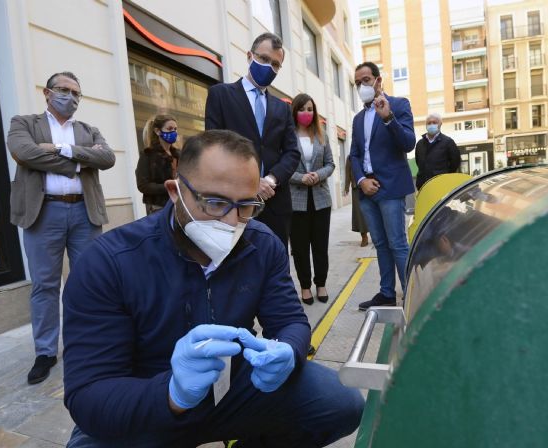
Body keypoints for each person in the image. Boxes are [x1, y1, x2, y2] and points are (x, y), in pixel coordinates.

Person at [63, 130, 364, 447]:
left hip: (233, 386)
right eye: (215, 202)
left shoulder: (262, 245)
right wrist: (172, 394)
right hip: (145, 398)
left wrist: (288, 351)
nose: (232, 222)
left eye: (246, 205)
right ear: (175, 191)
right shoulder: (109, 262)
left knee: (340, 402)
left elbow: (289, 320)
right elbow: (88, 394)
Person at [6, 71, 115, 384]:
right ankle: (45, 351)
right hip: (43, 213)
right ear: (47, 92)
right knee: (45, 285)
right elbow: (24, 153)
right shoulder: (24, 123)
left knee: (89, 282)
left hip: (84, 212)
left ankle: (88, 343)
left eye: (76, 93)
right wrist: (81, 162)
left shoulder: (88, 130)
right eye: (64, 90)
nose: (71, 97)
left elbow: (107, 158)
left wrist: (61, 149)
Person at [205, 33, 300, 249]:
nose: (269, 67)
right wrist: (251, 182)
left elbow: (292, 152)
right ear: (249, 56)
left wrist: (271, 180)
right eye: (264, 59)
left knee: (275, 263)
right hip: (233, 203)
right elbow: (214, 147)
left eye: (275, 64)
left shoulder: (283, 108)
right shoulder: (220, 95)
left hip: (275, 202)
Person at [349, 62, 416, 311]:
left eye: (366, 80)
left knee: (397, 243)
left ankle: (412, 295)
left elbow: (408, 143)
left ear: (378, 80)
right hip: (367, 190)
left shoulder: (399, 105)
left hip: (391, 188)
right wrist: (361, 180)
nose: (362, 86)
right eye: (357, 83)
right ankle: (387, 293)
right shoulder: (357, 119)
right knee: (380, 244)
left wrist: (388, 118)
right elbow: (354, 155)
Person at [288, 94, 335, 305]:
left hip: (321, 200)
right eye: (302, 109)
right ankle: (305, 287)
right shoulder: (287, 136)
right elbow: (282, 167)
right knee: (299, 248)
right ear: (294, 111)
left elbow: (330, 164)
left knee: (320, 246)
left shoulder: (321, 134)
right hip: (296, 201)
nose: (306, 113)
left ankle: (321, 284)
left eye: (310, 109)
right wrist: (300, 177)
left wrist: (318, 175)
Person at [135, 115, 181, 214]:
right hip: (159, 208)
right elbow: (143, 185)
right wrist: (169, 186)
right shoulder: (148, 155)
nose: (173, 132)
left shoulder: (178, 155)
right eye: (169, 129)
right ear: (157, 131)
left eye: (175, 129)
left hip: (180, 205)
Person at [414, 112, 461, 191]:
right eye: (429, 123)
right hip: (423, 187)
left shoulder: (448, 142)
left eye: (434, 122)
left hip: (441, 186)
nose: (431, 125)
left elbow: (455, 163)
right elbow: (418, 162)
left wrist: (444, 176)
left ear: (440, 124)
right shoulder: (420, 144)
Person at [344, 157, 369, 247]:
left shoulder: (368, 152)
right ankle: (364, 236)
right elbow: (347, 172)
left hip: (370, 185)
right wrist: (346, 187)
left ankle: (377, 235)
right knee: (359, 214)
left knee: (373, 211)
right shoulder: (350, 157)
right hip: (356, 188)